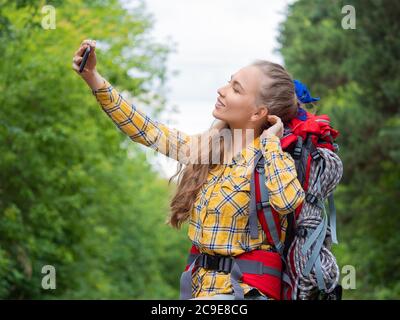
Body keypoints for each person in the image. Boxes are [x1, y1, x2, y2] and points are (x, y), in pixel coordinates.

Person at [72, 39, 305, 300]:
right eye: (229, 82)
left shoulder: (272, 159)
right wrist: (92, 76)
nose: (222, 90)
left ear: (258, 113)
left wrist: (271, 143)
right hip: (200, 291)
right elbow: (146, 130)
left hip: (247, 292)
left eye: (236, 89)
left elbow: (288, 202)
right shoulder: (206, 150)